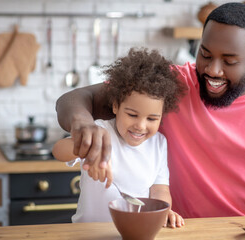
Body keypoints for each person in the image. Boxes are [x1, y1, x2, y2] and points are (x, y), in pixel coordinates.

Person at [55, 2, 245, 229]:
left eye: (229, 61)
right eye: (205, 54)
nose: (212, 70)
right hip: (190, 232)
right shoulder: (172, 85)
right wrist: (82, 123)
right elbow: (75, 99)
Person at [52, 47, 186, 227]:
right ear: (115, 106)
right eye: (132, 115)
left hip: (133, 232)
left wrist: (163, 210)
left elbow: (159, 188)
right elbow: (58, 151)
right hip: (87, 233)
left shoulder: (159, 144)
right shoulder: (99, 131)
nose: (140, 125)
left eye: (152, 118)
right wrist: (87, 146)